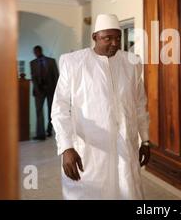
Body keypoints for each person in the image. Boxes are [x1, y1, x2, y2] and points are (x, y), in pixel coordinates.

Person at [51, 14, 151, 200]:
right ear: (95, 37)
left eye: (118, 38)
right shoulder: (74, 63)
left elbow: (139, 104)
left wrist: (145, 140)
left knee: (126, 190)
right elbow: (60, 108)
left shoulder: (132, 63)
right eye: (108, 38)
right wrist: (66, 147)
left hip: (124, 144)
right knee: (89, 193)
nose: (114, 43)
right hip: (90, 147)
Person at [30, 46, 59, 140]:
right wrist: (37, 88)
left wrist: (57, 91)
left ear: (40, 51)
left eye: (37, 51)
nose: (36, 53)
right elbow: (33, 78)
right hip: (38, 91)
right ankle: (40, 134)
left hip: (51, 90)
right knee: (39, 112)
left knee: (51, 111)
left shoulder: (51, 61)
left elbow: (56, 76)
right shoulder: (32, 63)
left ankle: (49, 130)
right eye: (35, 52)